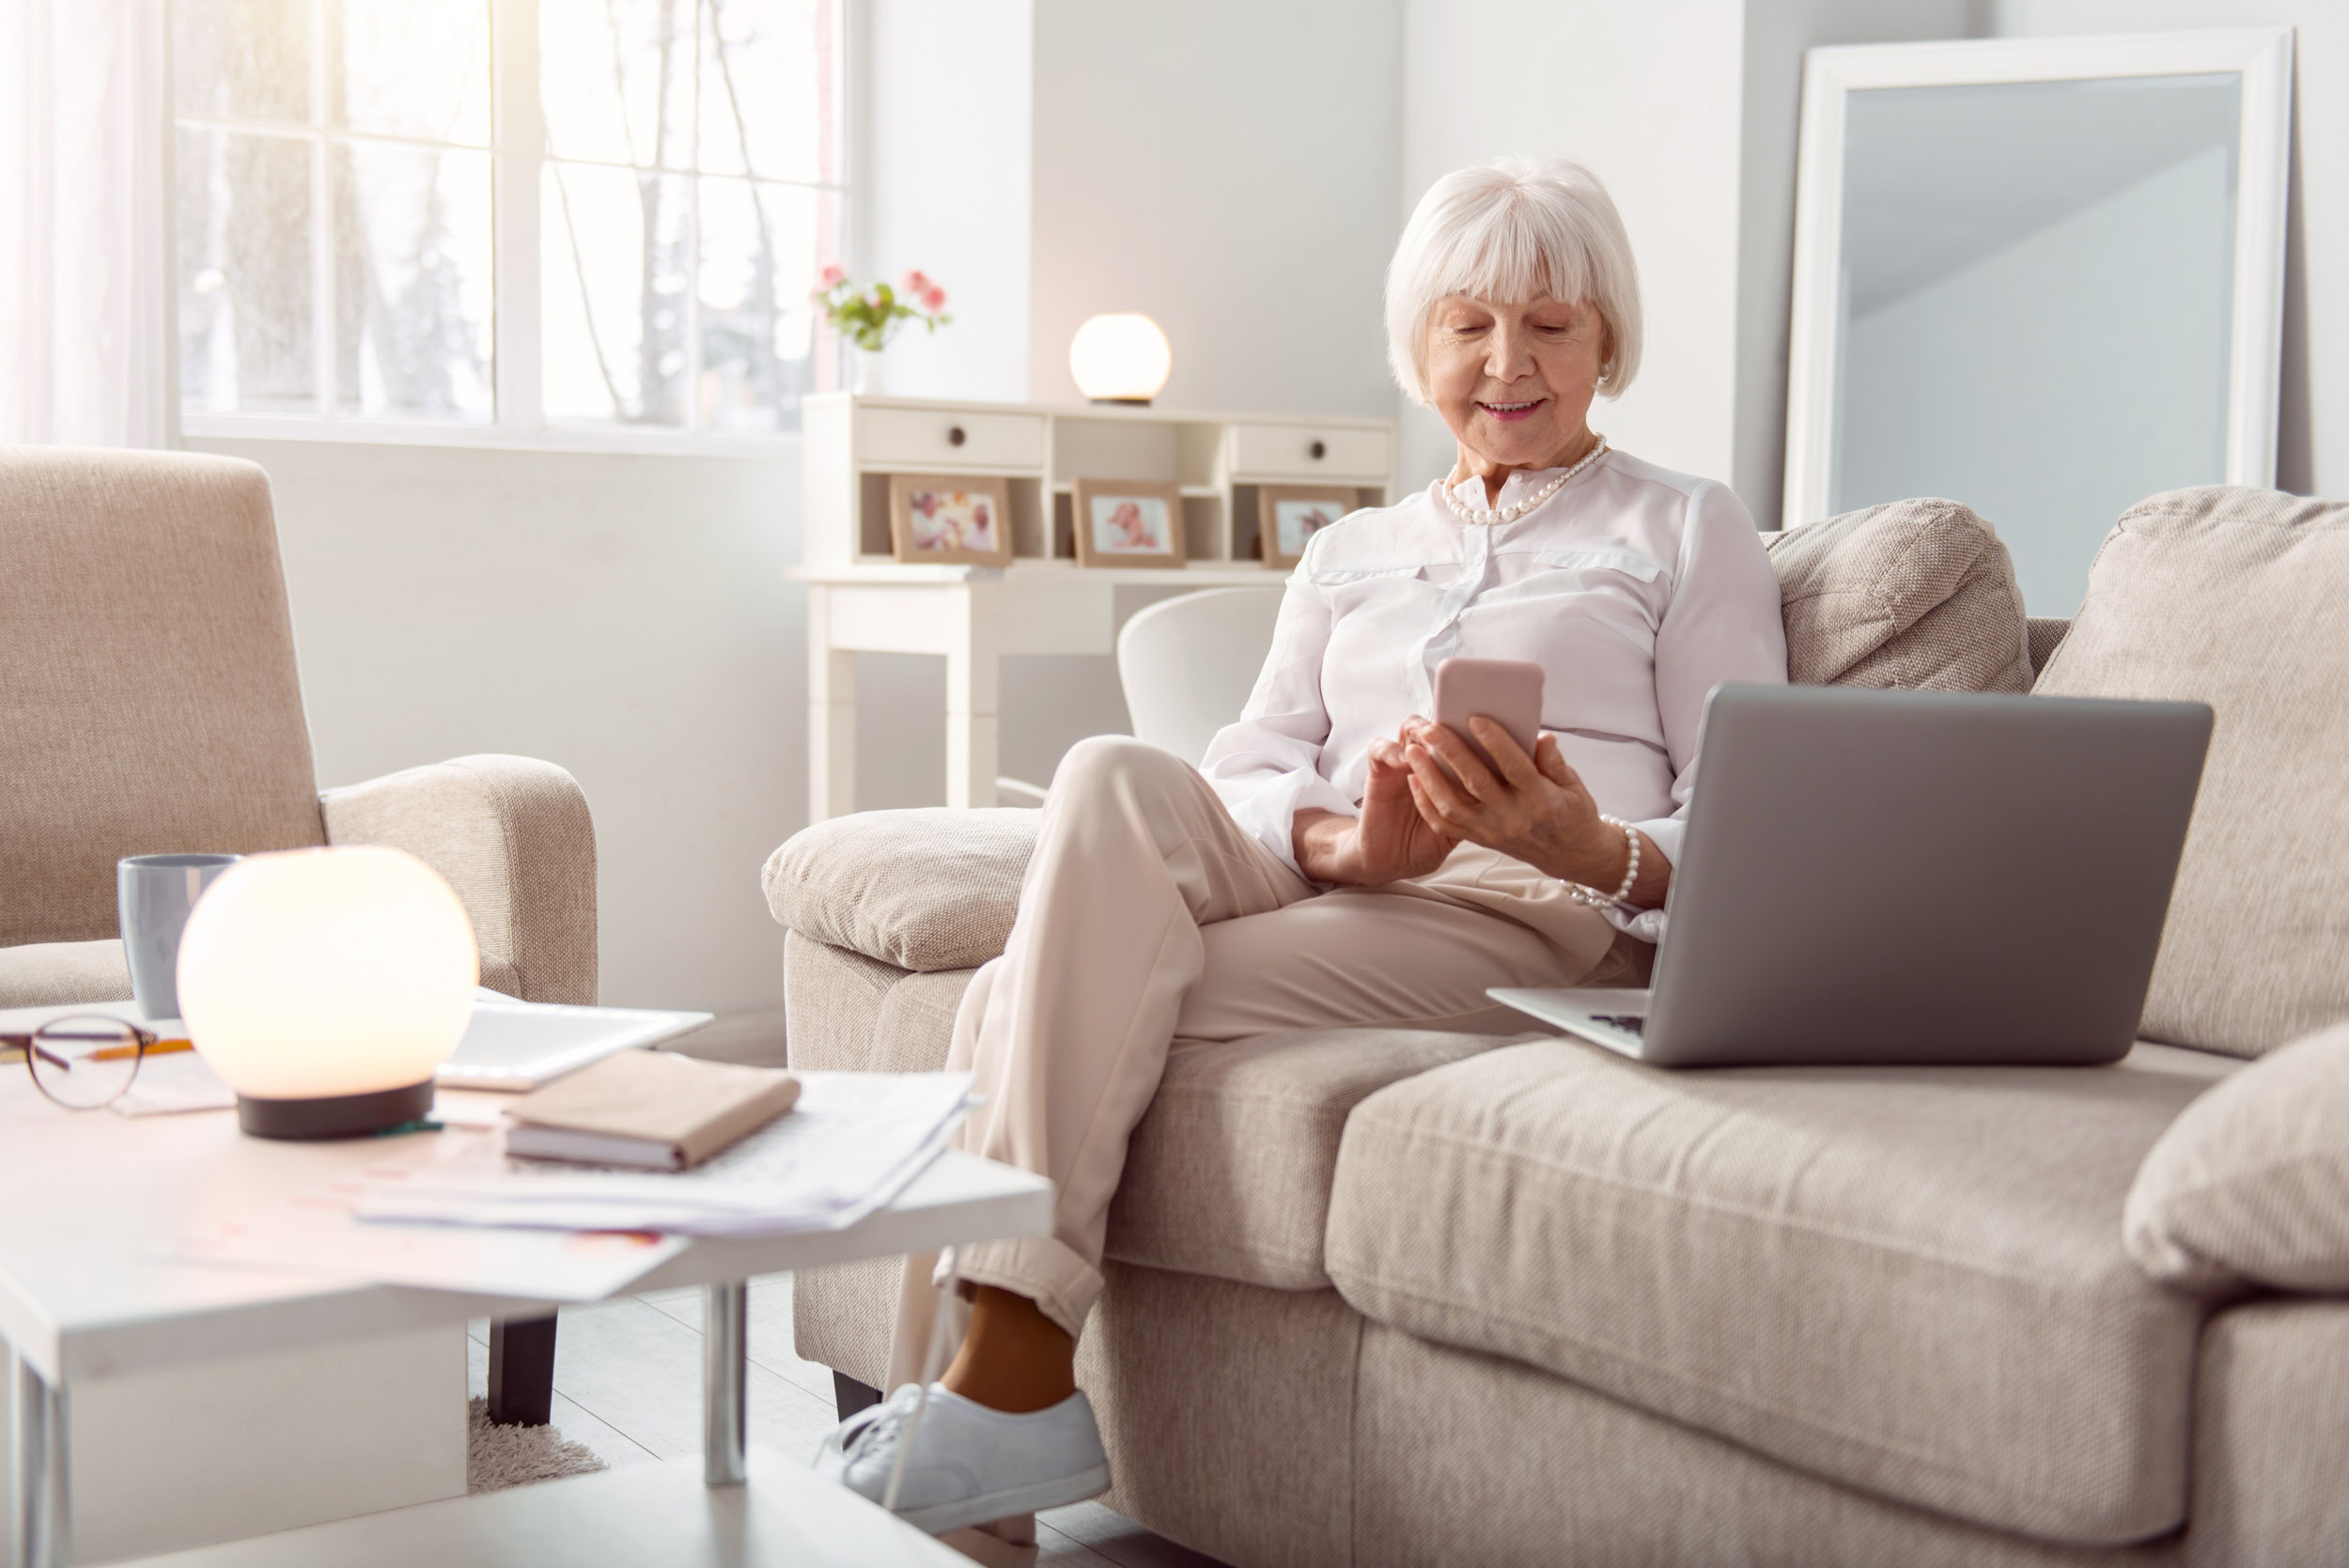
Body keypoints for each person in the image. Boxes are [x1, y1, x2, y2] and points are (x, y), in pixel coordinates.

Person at [815, 156, 1789, 1535]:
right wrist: (1346, 840)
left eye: (1551, 325)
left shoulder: (1684, 525)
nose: (1508, 361)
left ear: (1607, 343)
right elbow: (1250, 766)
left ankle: (982, 1420)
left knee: (1011, 993)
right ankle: (994, 1419)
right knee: (1107, 770)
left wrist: (1589, 844)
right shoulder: (1353, 551)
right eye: (1469, 325)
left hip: (1525, 908)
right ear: (1419, 346)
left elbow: (1748, 822)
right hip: (1331, 868)